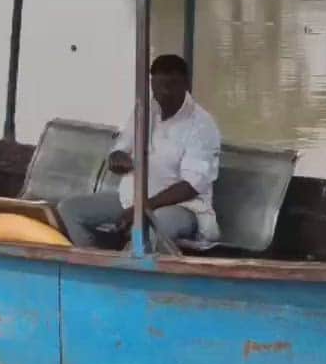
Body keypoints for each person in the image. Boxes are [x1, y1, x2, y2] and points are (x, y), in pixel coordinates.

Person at [57, 54, 222, 249]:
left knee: (155, 225)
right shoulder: (143, 110)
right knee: (70, 209)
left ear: (185, 84)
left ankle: (129, 271)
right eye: (159, 86)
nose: (164, 92)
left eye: (171, 85)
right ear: (151, 84)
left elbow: (191, 186)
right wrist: (117, 158)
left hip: (182, 208)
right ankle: (95, 267)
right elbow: (121, 147)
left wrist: (143, 208)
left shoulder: (202, 125)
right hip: (129, 199)